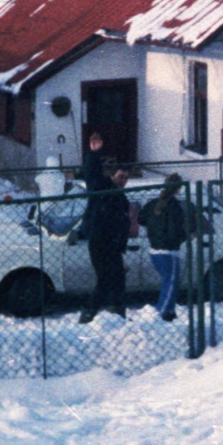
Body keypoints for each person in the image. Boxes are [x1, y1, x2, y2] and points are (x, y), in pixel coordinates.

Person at [78, 133, 130, 322]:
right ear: (112, 176)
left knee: (118, 279)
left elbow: (122, 227)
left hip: (113, 246)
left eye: (126, 178)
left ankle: (118, 313)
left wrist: (121, 252)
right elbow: (91, 175)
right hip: (99, 242)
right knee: (105, 278)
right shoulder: (102, 188)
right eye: (120, 177)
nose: (123, 181)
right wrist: (93, 154)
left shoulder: (123, 200)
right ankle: (89, 313)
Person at [142, 173, 189, 322]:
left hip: (154, 251)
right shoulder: (175, 207)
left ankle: (169, 312)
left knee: (167, 282)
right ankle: (161, 313)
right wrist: (186, 236)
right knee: (171, 285)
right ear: (178, 189)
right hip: (169, 252)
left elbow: (141, 218)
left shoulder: (152, 203)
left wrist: (154, 228)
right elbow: (175, 231)